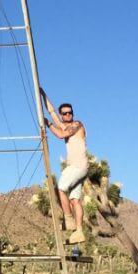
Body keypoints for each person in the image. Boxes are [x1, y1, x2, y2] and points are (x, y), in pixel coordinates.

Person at [42, 90, 88, 244]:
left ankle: (68, 219)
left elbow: (61, 135)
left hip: (78, 166)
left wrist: (48, 124)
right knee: (75, 199)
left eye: (70, 113)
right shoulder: (64, 125)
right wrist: (42, 94)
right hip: (78, 168)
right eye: (65, 114)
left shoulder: (77, 124)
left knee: (61, 188)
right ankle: (79, 231)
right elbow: (51, 111)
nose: (68, 115)